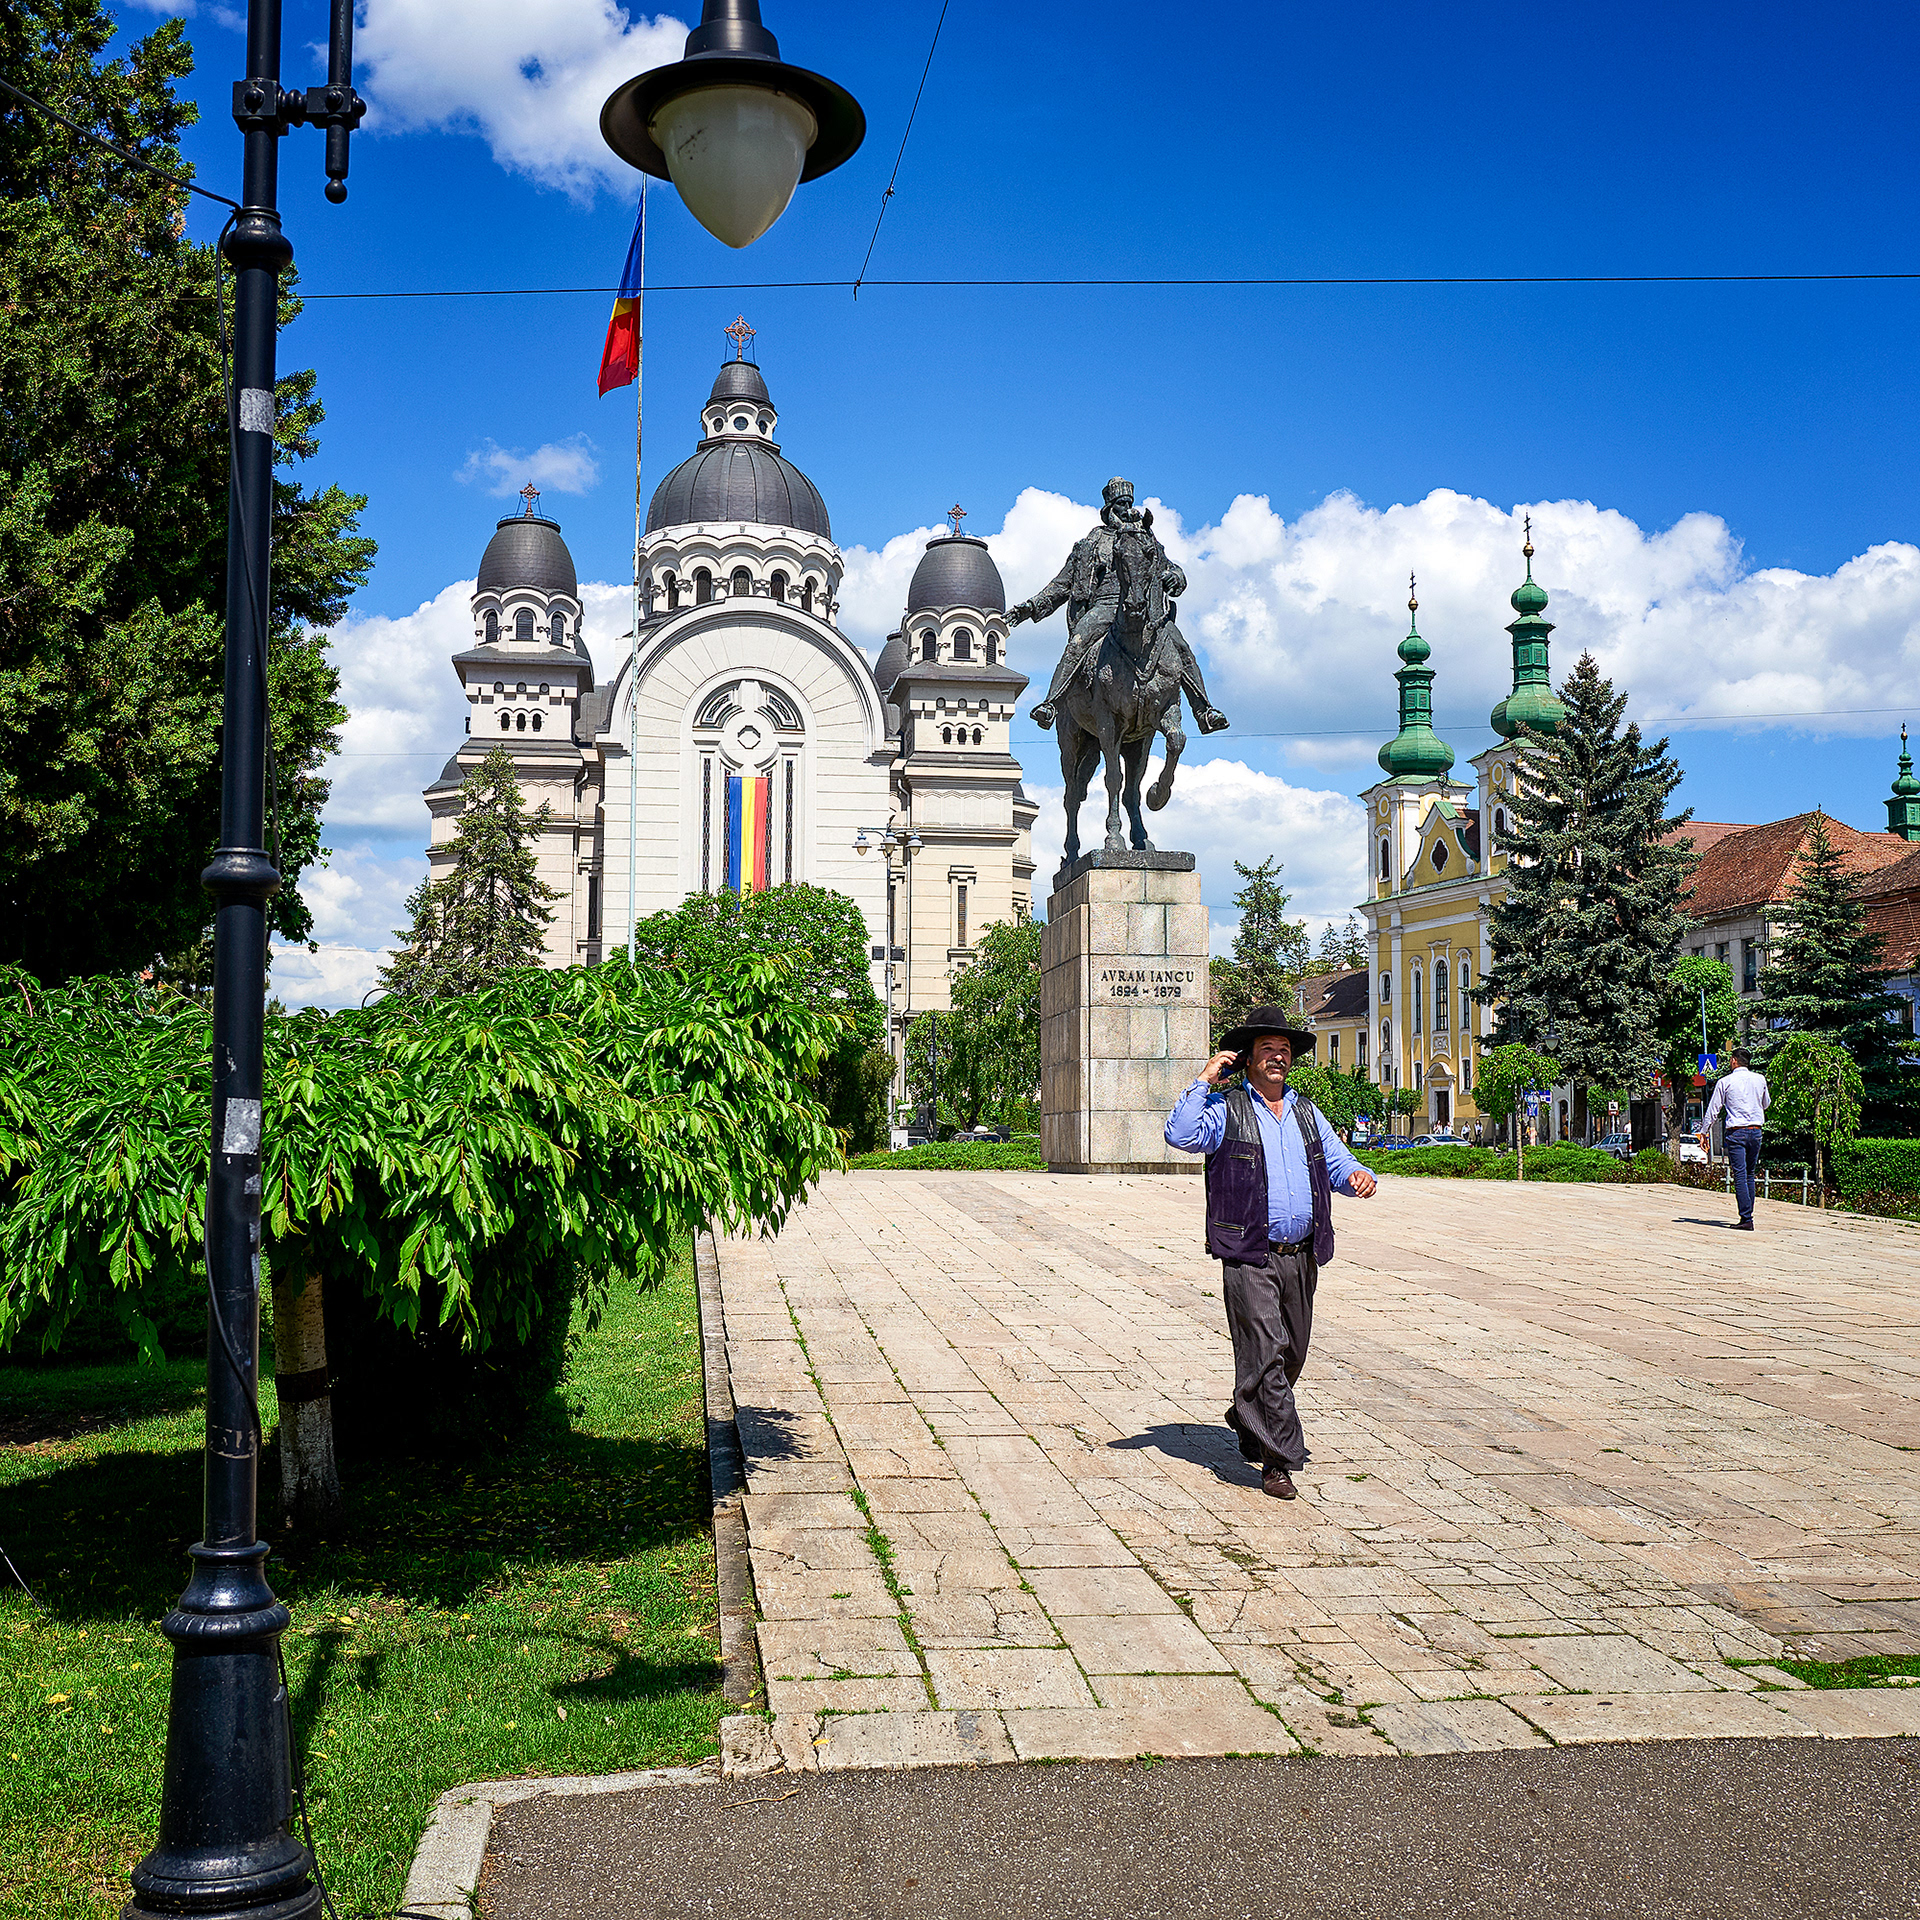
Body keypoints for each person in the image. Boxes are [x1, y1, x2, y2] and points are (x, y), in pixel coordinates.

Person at [1164, 1007, 1378, 1500]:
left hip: (1300, 1254)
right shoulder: (1226, 1110)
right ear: (1248, 1059)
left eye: (1284, 1050)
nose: (1278, 1057)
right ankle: (1279, 1460)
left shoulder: (1307, 1112)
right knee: (1267, 1352)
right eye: (1267, 1049)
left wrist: (1355, 1176)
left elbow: (1336, 1162)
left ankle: (1247, 1412)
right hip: (1248, 1253)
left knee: (1292, 1353)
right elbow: (1180, 1135)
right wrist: (1205, 1079)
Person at [1012, 476, 1229, 736]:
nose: (1126, 508)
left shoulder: (1145, 536)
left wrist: (1175, 577)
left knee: (1180, 646)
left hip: (1147, 611)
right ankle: (1050, 705)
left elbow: (1170, 567)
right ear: (1109, 508)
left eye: (1129, 502)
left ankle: (1204, 711)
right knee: (1077, 643)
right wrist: (1031, 607)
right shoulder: (1092, 542)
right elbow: (1061, 585)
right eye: (1120, 504)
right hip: (1105, 606)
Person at [1698, 1047, 1770, 1230]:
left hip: (1736, 1133)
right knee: (1749, 1174)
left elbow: (1713, 1109)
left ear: (1734, 1061)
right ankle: (1748, 1214)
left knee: (1739, 1175)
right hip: (1756, 1131)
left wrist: (1704, 1132)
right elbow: (1766, 1103)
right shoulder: (1760, 1079)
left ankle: (1746, 1218)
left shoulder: (1725, 1082)